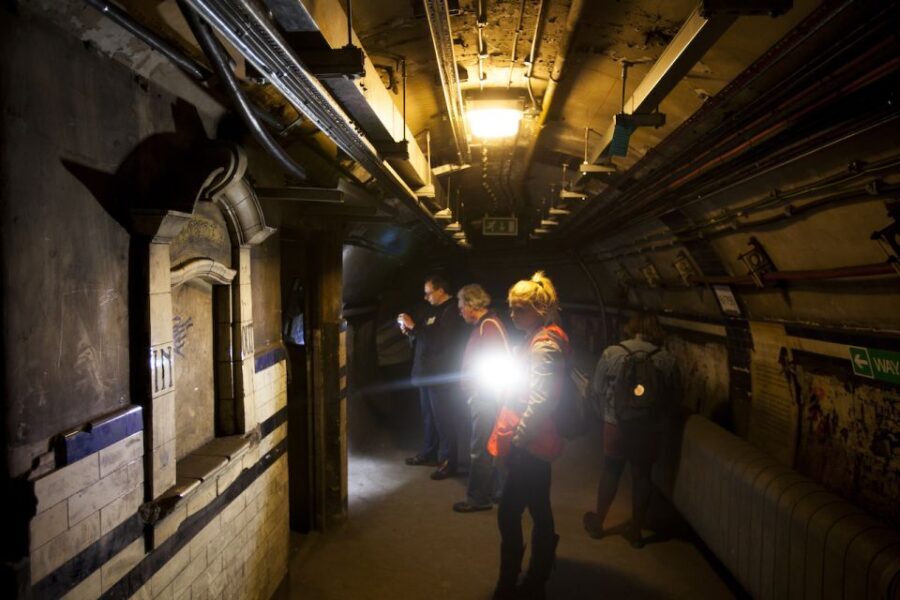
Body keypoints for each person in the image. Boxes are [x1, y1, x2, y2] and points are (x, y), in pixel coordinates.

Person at [489, 271, 568, 600]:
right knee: (539, 507)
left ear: (538, 309)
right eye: (510, 308)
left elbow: (542, 399)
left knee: (509, 512)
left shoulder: (544, 344)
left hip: (531, 443)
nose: (511, 315)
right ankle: (537, 577)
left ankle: (510, 584)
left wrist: (519, 439)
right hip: (538, 441)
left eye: (518, 309)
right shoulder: (540, 336)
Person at [583, 313, 681, 548]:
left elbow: (595, 389)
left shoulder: (612, 352)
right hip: (648, 428)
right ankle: (636, 532)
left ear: (631, 328)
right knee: (642, 476)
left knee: (611, 470)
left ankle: (598, 523)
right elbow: (675, 396)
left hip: (615, 424)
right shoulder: (667, 359)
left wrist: (602, 413)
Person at [398, 274, 467, 480]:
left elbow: (440, 340)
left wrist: (414, 327)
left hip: (440, 376)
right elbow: (423, 335)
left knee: (444, 419)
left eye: (429, 293)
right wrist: (409, 331)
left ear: (441, 290)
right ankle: (429, 453)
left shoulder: (452, 311)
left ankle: (448, 461)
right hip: (425, 374)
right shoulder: (430, 310)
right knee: (429, 418)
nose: (426, 297)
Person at [453, 283, 509, 513]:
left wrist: (478, 391)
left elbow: (495, 365)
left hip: (485, 398)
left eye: (461, 306)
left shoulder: (489, 327)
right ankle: (497, 491)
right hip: (485, 396)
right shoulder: (487, 324)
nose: (460, 312)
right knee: (488, 446)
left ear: (471, 305)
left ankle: (478, 498)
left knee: (481, 448)